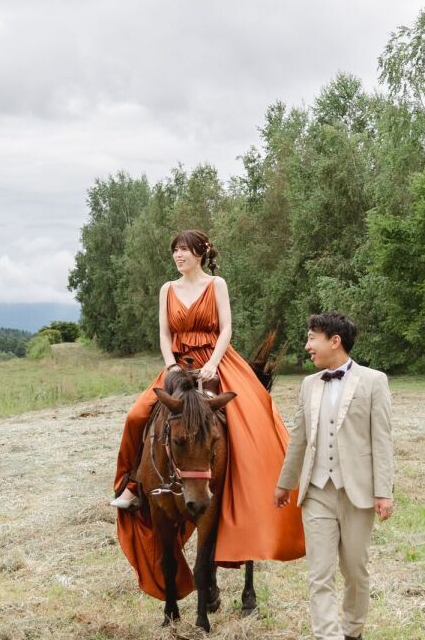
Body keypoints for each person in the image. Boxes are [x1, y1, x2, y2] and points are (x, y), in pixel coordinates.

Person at [112, 229, 305, 602]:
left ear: (200, 253)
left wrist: (213, 366)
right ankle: (133, 485)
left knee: (250, 417)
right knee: (137, 415)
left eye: (183, 250)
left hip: (216, 365)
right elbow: (165, 333)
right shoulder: (167, 289)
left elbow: (226, 328)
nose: (177, 256)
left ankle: (248, 484)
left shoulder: (217, 283)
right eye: (174, 251)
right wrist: (170, 366)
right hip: (177, 366)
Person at [274, 312, 395, 640]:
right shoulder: (308, 384)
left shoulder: (374, 382)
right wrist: (285, 483)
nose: (307, 345)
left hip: (357, 490)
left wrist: (383, 491)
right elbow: (298, 438)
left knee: (355, 568)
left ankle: (353, 627)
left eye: (312, 338)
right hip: (317, 491)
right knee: (319, 571)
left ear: (334, 341)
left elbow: (382, 440)